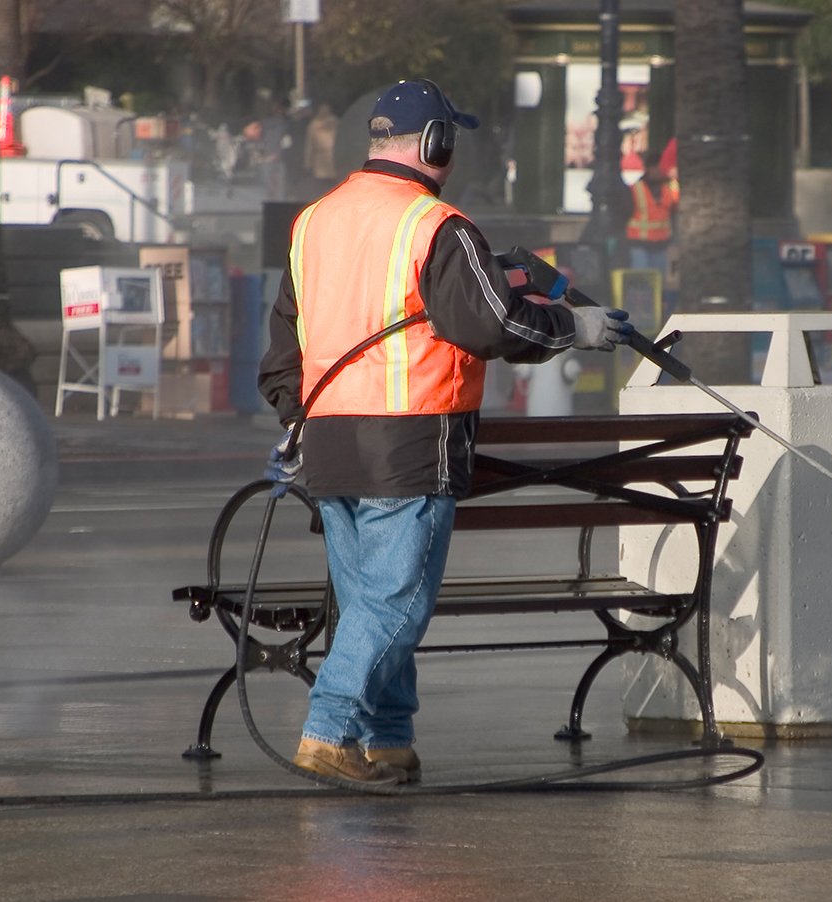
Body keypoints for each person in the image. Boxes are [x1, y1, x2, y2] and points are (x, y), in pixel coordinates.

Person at [257, 78, 631, 786]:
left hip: (329, 443)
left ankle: (387, 737)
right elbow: (492, 324)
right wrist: (574, 329)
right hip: (408, 443)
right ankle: (329, 730)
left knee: (368, 603)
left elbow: (282, 346)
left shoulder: (313, 222)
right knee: (396, 604)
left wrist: (297, 417)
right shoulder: (435, 225)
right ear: (437, 144)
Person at [624, 148, 679, 279]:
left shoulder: (671, 188)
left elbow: (675, 212)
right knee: (641, 280)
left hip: (662, 244)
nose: (660, 171)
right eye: (657, 167)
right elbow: (624, 214)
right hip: (639, 244)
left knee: (658, 281)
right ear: (649, 168)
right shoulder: (635, 189)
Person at [302, 101, 340, 191]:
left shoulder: (335, 123)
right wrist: (307, 162)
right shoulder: (313, 125)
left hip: (332, 158)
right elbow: (309, 145)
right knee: (321, 186)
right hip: (319, 159)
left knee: (332, 186)